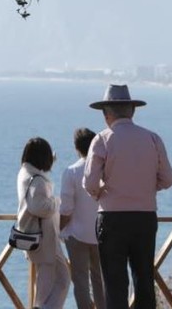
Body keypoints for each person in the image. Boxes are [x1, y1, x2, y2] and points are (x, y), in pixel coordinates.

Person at [83, 84, 172, 309]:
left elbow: (89, 183)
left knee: (115, 284)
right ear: (132, 111)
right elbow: (168, 179)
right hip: (144, 217)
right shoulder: (152, 138)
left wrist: (101, 190)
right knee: (144, 279)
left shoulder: (102, 140)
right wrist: (146, 186)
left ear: (107, 115)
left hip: (112, 219)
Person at [17, 137, 70, 309]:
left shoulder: (25, 174)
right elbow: (39, 207)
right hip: (44, 237)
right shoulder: (37, 180)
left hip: (38, 236)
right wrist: (57, 200)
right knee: (51, 282)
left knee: (56, 279)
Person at [60, 128, 105, 309]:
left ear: (76, 148)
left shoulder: (71, 172)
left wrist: (55, 230)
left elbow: (66, 209)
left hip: (77, 235)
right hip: (102, 234)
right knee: (101, 281)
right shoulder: (105, 170)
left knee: (81, 283)